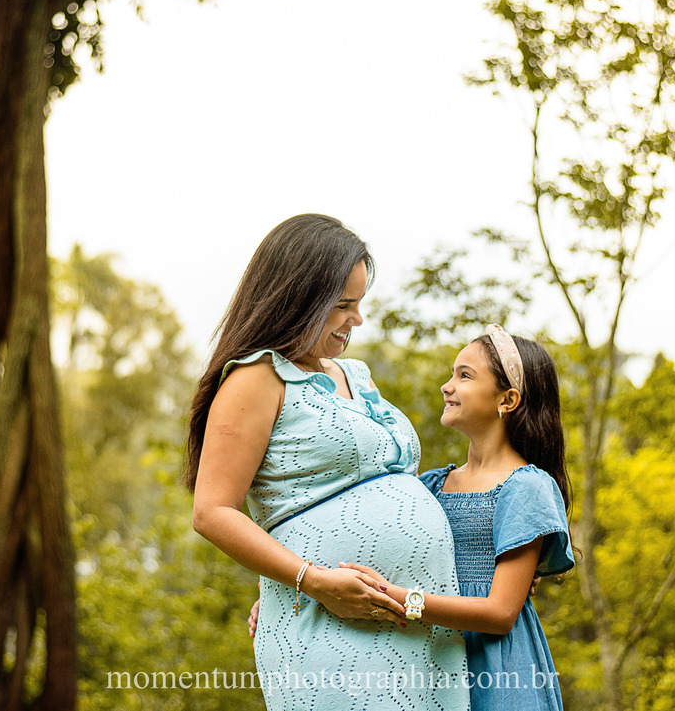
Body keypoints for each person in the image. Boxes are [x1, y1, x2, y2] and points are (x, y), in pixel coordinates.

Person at [187, 214, 469, 709]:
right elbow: (212, 511)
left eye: (359, 304)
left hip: (420, 631)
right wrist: (309, 580)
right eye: (342, 306)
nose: (356, 320)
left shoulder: (356, 376)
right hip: (330, 625)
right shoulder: (256, 378)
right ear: (298, 299)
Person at [342, 325, 575, 710]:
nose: (446, 386)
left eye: (464, 375)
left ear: (508, 399)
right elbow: (376, 554)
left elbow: (500, 613)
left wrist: (400, 600)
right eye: (452, 373)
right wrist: (295, 592)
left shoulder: (526, 488)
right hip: (430, 660)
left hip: (498, 672)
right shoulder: (431, 486)